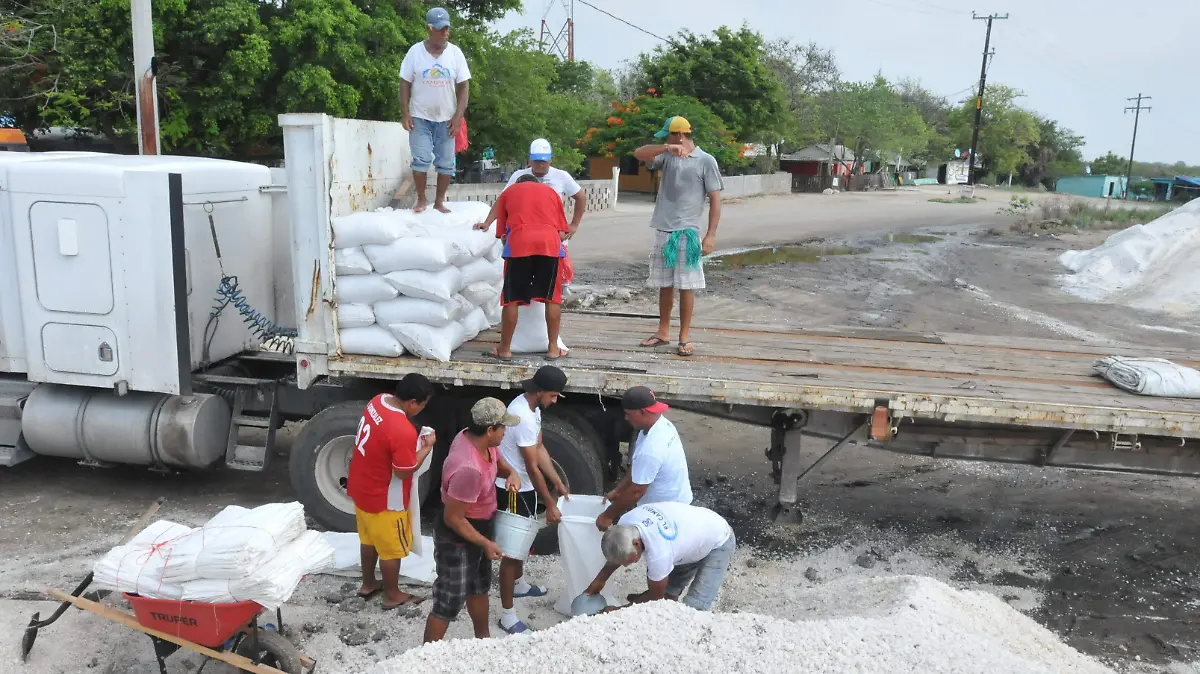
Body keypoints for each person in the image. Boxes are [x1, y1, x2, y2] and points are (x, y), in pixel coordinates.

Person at [423, 398, 522, 643]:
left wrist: (512, 473)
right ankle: (423, 657)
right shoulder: (469, 469)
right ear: (490, 430)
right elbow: (453, 518)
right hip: (458, 537)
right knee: (449, 599)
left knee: (479, 587)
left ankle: (483, 641)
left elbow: (498, 461)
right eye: (503, 428)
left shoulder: (475, 437)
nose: (505, 432)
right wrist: (485, 543)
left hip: (479, 527)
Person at [633, 116, 724, 357]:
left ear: (680, 135)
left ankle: (684, 335)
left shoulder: (705, 161)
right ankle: (663, 331)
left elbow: (715, 199)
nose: (665, 140)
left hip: (688, 232)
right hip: (663, 229)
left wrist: (710, 235)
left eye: (669, 136)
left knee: (686, 286)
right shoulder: (667, 156)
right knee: (664, 284)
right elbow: (639, 154)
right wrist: (665, 148)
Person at [345, 374, 436, 609]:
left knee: (368, 539)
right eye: (423, 404)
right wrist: (426, 448)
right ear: (413, 402)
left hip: (361, 486)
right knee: (390, 550)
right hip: (385, 498)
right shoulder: (402, 429)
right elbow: (404, 471)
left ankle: (368, 583)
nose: (423, 409)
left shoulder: (378, 400)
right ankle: (392, 594)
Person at [494, 365, 571, 634]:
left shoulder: (532, 408)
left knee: (524, 539)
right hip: (513, 489)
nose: (554, 401)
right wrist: (549, 504)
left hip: (525, 486)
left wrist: (558, 482)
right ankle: (507, 615)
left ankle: (519, 585)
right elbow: (530, 467)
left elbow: (539, 449)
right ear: (539, 391)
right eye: (552, 396)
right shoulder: (522, 416)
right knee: (511, 552)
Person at [585, 501, 736, 612]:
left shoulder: (659, 554)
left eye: (627, 561)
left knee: (695, 606)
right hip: (691, 534)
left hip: (719, 539)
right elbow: (618, 550)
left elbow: (656, 600)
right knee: (670, 591)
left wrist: (619, 611)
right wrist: (600, 580)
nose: (625, 565)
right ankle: (665, 618)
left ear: (637, 544)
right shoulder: (626, 524)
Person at [485, 174, 572, 361]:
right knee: (552, 299)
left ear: (519, 184)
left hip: (519, 245)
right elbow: (563, 231)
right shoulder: (551, 192)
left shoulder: (509, 192)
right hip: (549, 245)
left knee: (511, 299)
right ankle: (552, 349)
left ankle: (505, 349)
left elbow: (502, 235)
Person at [400, 7, 471, 214]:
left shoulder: (455, 53)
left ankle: (439, 201)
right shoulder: (415, 52)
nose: (445, 32)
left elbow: (464, 86)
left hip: (447, 118)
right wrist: (405, 113)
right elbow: (404, 82)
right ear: (429, 29)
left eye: (447, 28)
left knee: (446, 163)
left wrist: (458, 117)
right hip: (420, 116)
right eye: (440, 29)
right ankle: (422, 200)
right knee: (420, 159)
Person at [596, 386, 692, 531]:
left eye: (628, 414)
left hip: (667, 513)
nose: (625, 418)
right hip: (673, 500)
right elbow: (637, 467)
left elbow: (637, 491)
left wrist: (608, 516)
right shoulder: (658, 425)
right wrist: (619, 490)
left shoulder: (652, 447)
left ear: (642, 412)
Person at [473, 138, 586, 233]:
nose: (541, 165)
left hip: (553, 232)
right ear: (530, 160)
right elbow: (502, 201)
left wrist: (574, 225)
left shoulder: (561, 176)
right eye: (537, 161)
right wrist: (487, 222)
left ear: (550, 160)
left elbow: (581, 197)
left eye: (544, 161)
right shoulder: (518, 176)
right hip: (524, 231)